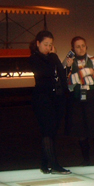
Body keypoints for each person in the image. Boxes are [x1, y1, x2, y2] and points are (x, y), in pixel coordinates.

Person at [29, 30, 71, 174]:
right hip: (43, 98)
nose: (48, 47)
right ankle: (54, 164)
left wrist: (56, 58)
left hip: (56, 97)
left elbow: (60, 73)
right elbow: (45, 74)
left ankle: (45, 163)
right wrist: (53, 56)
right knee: (47, 130)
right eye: (45, 44)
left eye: (50, 45)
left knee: (53, 131)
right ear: (38, 43)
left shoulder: (52, 57)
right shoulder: (34, 58)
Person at [66, 36, 94, 165]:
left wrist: (77, 77)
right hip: (77, 99)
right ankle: (86, 160)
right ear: (73, 49)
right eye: (78, 46)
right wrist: (87, 71)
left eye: (83, 45)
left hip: (91, 97)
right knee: (81, 130)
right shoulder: (69, 62)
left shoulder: (93, 59)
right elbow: (69, 83)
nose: (81, 48)